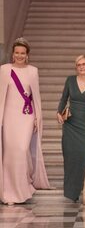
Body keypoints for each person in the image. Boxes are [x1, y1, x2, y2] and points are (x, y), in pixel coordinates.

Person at [0, 37, 50, 206]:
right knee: (9, 154)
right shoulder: (4, 70)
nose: (20, 56)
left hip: (26, 116)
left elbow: (36, 96)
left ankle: (22, 189)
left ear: (27, 55)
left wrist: (37, 117)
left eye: (23, 53)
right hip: (8, 116)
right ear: (12, 54)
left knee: (22, 150)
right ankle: (8, 192)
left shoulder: (33, 71)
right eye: (17, 53)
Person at [57, 55, 85, 204]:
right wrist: (59, 113)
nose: (82, 67)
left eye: (84, 64)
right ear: (76, 67)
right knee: (71, 157)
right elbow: (64, 98)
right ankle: (73, 191)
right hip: (70, 123)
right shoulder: (70, 80)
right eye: (79, 65)